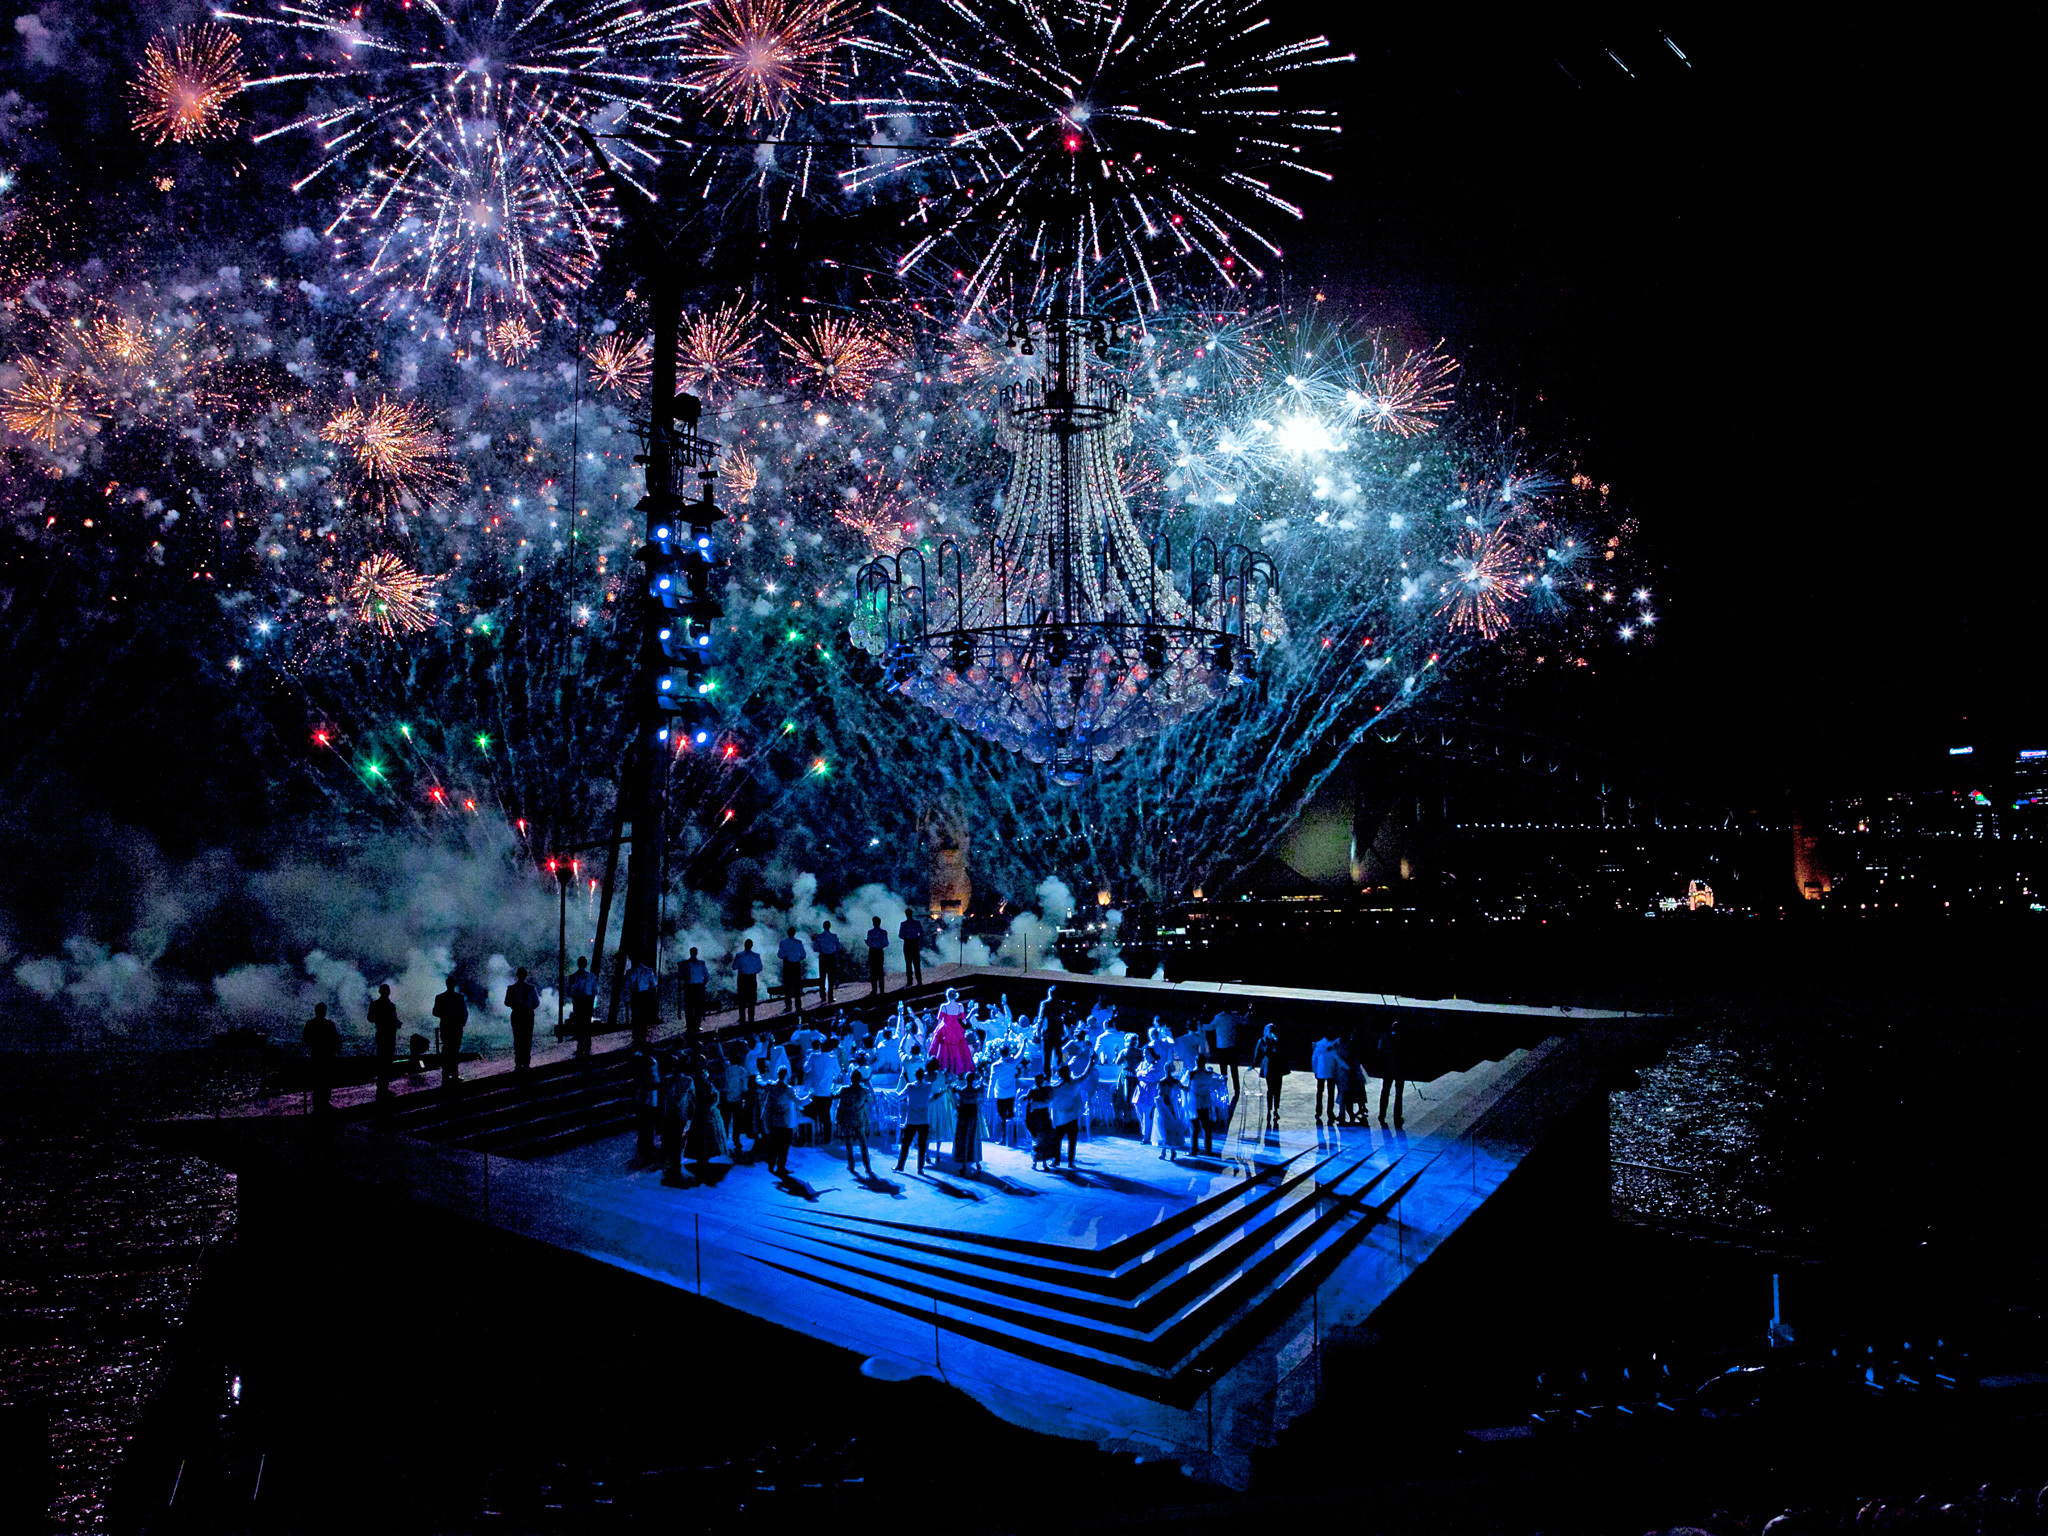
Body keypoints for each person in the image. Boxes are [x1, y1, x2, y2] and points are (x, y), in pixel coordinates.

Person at [836, 1068, 875, 1177]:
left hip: (847, 1119)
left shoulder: (844, 1090)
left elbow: (833, 1095)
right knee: (863, 1144)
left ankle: (851, 1165)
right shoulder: (864, 1090)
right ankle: (867, 1166)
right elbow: (872, 1100)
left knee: (849, 1143)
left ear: (851, 1078)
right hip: (859, 1120)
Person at [762, 1066, 801, 1175]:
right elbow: (799, 1102)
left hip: (775, 1121)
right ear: (786, 1075)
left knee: (774, 1144)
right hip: (786, 1122)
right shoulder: (788, 1089)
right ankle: (781, 1167)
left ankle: (771, 1164)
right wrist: (809, 1097)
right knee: (784, 1146)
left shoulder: (773, 1088)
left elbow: (768, 1105)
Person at [302, 1002, 340, 1111]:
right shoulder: (329, 1024)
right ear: (324, 1012)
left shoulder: (310, 1023)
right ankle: (325, 1102)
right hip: (327, 1056)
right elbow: (336, 1040)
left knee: (317, 1080)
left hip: (316, 1055)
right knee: (326, 1080)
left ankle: (317, 1103)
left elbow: (305, 1038)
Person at [803, 1030, 839, 1145]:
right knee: (826, 1117)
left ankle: (812, 1136)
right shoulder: (832, 1058)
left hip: (815, 1093)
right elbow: (838, 1072)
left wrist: (807, 1058)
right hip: (827, 1094)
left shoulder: (813, 1056)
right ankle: (827, 1139)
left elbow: (805, 1069)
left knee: (811, 1113)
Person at [432, 974, 468, 1085]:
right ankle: (454, 1073)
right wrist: (461, 1022)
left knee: (447, 1050)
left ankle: (446, 1074)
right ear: (454, 985)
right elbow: (464, 1013)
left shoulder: (440, 997)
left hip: (446, 1026)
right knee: (454, 1050)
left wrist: (445, 1015)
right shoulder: (459, 997)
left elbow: (435, 1012)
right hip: (456, 1027)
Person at [927, 990, 974, 1076]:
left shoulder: (944, 1006)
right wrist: (971, 1013)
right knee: (958, 1049)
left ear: (947, 996)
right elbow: (964, 1022)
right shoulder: (960, 1006)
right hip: (956, 1030)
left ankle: (944, 1069)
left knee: (943, 1050)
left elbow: (939, 1021)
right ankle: (957, 1070)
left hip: (945, 1029)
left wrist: (937, 1031)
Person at [367, 984, 401, 1103]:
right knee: (387, 1063)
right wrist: (397, 1024)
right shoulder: (390, 1005)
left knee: (382, 1061)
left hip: (380, 1035)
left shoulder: (375, 1004)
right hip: (389, 1036)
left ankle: (381, 1089)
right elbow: (394, 1020)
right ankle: (383, 1089)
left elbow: (370, 1018)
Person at [896, 1066, 933, 1173]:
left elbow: (899, 1096)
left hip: (912, 1120)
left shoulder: (910, 1087)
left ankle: (900, 1165)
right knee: (922, 1145)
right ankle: (920, 1168)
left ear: (915, 1076)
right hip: (924, 1120)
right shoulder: (928, 1086)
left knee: (906, 1143)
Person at [1050, 1065, 1087, 1169]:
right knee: (1072, 1140)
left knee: (1057, 1140)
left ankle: (1056, 1161)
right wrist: (1091, 1062)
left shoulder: (1055, 1087)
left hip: (1060, 1119)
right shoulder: (1074, 1084)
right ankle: (1070, 1161)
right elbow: (1085, 1075)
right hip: (1072, 1117)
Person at [505, 966, 540, 1075]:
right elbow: (536, 1002)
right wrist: (529, 1008)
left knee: (519, 1038)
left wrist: (516, 1005)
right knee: (526, 1038)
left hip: (518, 1013)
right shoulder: (531, 988)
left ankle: (520, 1062)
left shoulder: (512, 988)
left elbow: (507, 1002)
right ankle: (525, 1062)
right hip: (526, 1013)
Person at [1251, 1023, 1286, 1130]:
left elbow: (1283, 1051)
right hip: (1269, 1066)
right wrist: (1253, 1064)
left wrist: (1277, 1042)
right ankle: (1270, 1109)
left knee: (1278, 1089)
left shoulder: (1278, 1040)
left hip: (1278, 1066)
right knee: (1270, 1089)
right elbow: (1257, 1052)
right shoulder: (1262, 1040)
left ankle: (1276, 1108)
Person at [1189, 1057, 1227, 1156]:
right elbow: (1219, 1078)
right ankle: (1208, 1150)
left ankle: (1194, 1150)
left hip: (1195, 1103)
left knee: (1195, 1127)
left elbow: (1184, 1084)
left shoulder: (1192, 1074)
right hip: (1205, 1102)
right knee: (1206, 1127)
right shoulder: (1208, 1074)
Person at [1156, 1062, 1190, 1161]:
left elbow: (1160, 1096)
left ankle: (1166, 1152)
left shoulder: (1162, 1082)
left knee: (1165, 1129)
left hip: (1164, 1107)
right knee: (1172, 1129)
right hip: (1173, 1107)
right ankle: (1170, 1151)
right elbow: (1185, 1089)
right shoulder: (1175, 1081)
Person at [1376, 1017, 1406, 1128]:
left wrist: (1380, 1067)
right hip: (1399, 1069)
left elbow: (1380, 1055)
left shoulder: (1385, 1039)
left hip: (1388, 1069)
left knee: (1385, 1092)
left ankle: (1382, 1114)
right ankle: (1397, 1115)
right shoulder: (1402, 1040)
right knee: (1398, 1093)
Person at [1208, 1009, 1245, 1099]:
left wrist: (1200, 1025)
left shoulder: (1219, 1017)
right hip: (1232, 1046)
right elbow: (1244, 1021)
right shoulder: (1234, 1016)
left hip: (1222, 1047)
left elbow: (1211, 1027)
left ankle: (1224, 1089)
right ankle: (1236, 1089)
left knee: (1223, 1071)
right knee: (1233, 1070)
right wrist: (1248, 1013)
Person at [565, 955, 597, 1057]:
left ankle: (580, 1046)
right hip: (588, 1001)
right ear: (586, 964)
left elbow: (570, 991)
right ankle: (587, 1046)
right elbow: (595, 990)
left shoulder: (573, 977)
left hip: (578, 1001)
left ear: (578, 964)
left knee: (579, 1023)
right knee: (587, 1023)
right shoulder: (591, 976)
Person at [1025, 1075, 1058, 1171]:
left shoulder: (1034, 1091)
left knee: (1038, 1142)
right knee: (1043, 1142)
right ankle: (1042, 1163)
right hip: (1042, 1119)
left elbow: (1028, 1107)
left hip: (1038, 1119)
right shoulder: (1044, 1091)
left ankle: (1036, 1162)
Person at [954, 1071, 984, 1173]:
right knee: (973, 1137)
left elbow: (953, 1091)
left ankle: (964, 1163)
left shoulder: (961, 1091)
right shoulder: (976, 1091)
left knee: (963, 1138)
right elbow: (981, 1095)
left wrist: (957, 1105)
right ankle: (976, 1161)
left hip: (963, 1114)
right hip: (973, 1114)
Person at [1311, 1030, 1341, 1126]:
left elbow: (1314, 1059)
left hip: (1321, 1072)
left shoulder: (1319, 1045)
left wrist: (1315, 1070)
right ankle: (1329, 1112)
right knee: (1330, 1093)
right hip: (1331, 1072)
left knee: (1320, 1092)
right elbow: (1336, 1060)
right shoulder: (1333, 1045)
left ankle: (1318, 1111)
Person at [988, 1043, 1020, 1135]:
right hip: (1011, 1094)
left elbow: (992, 1082)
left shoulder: (995, 1066)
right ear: (1008, 1052)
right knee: (1011, 1114)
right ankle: (1013, 1135)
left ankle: (1004, 1136)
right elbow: (1020, 1055)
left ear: (999, 1053)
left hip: (1000, 1095)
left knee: (1002, 1116)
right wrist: (1024, 1044)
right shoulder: (1012, 1062)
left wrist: (989, 1096)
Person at [627, 955, 659, 1045]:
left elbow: (626, 984)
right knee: (644, 1014)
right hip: (645, 994)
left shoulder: (630, 972)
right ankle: (643, 1033)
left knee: (635, 1014)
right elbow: (653, 984)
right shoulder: (648, 971)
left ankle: (636, 1034)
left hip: (635, 995)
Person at [777, 928, 807, 1015]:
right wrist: (797, 959)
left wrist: (786, 956)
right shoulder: (798, 942)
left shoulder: (783, 943)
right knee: (797, 987)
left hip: (787, 965)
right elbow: (803, 955)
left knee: (787, 987)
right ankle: (798, 1007)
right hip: (796, 965)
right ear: (794, 933)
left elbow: (780, 955)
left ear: (787, 933)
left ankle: (788, 1007)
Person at [681, 947, 709, 1038]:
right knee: (694, 1007)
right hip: (693, 986)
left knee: (694, 1007)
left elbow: (706, 975)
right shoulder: (692, 963)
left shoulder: (700, 963)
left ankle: (693, 1026)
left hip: (694, 986)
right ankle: (693, 1026)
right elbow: (706, 975)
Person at [733, 939, 762, 1026]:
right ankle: (751, 1018)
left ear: (745, 945)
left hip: (742, 978)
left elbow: (734, 967)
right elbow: (760, 968)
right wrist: (752, 971)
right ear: (751, 945)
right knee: (751, 999)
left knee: (742, 999)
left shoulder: (739, 955)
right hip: (752, 978)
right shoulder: (756, 956)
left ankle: (742, 1019)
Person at [813, 922, 842, 1003]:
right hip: (831, 957)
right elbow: (839, 947)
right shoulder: (834, 936)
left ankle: (823, 996)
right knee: (831, 978)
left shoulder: (819, 937)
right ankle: (830, 997)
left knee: (822, 977)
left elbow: (815, 948)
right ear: (830, 926)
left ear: (823, 927)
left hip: (823, 957)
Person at [898, 911, 925, 986]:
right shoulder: (916, 923)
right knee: (916, 963)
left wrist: (906, 936)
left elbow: (900, 935)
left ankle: (910, 981)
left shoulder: (903, 924)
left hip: (907, 943)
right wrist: (919, 941)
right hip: (914, 943)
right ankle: (919, 980)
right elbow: (921, 933)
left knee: (908, 963)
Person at [864, 915, 889, 995]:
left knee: (873, 971)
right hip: (879, 951)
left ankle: (874, 989)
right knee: (880, 970)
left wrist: (868, 942)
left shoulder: (870, 932)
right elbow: (886, 943)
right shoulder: (883, 932)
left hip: (872, 951)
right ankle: (882, 989)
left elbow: (869, 943)